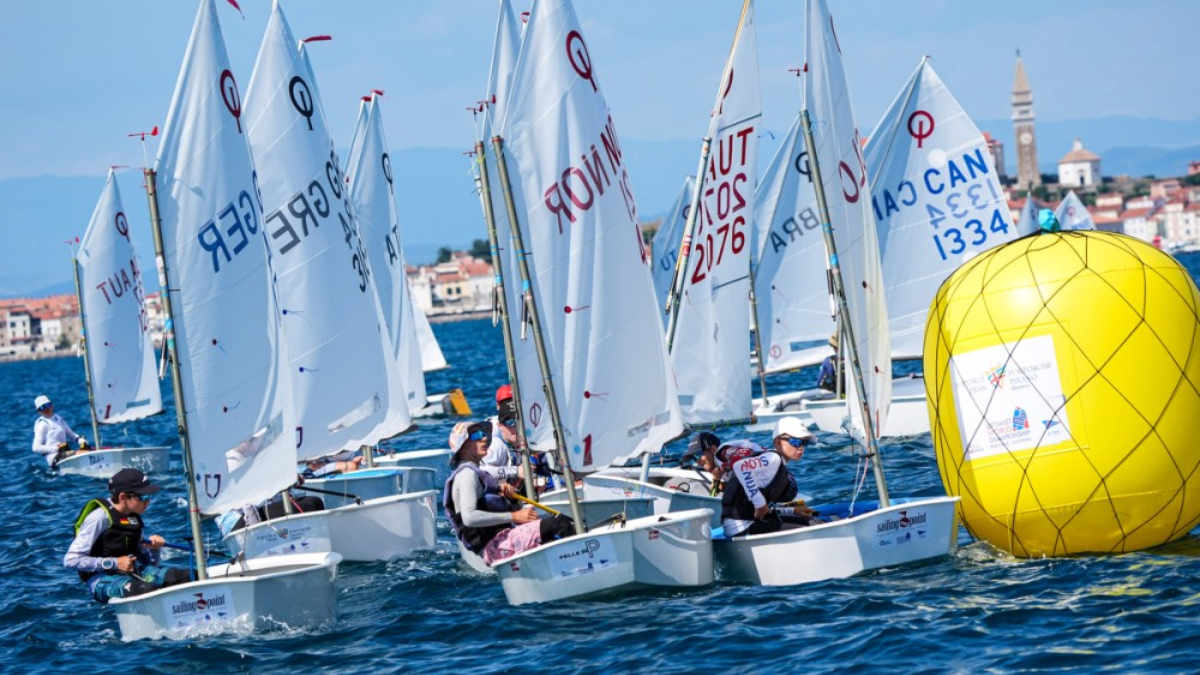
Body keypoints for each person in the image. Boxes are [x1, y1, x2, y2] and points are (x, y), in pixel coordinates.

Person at [443, 420, 574, 566]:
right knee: (559, 524)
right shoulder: (467, 475)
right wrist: (514, 516)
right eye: (476, 436)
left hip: (502, 540)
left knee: (561, 523)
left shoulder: (474, 473)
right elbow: (469, 517)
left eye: (483, 434)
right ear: (463, 448)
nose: (484, 438)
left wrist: (508, 496)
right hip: (495, 547)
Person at [64, 468, 191, 603]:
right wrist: (115, 563)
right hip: (101, 579)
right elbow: (71, 560)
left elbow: (149, 565)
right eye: (142, 497)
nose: (148, 502)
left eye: (149, 497)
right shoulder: (99, 518)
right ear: (123, 497)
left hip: (133, 572)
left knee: (187, 576)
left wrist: (154, 551)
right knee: (146, 589)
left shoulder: (133, 517)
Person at [720, 416, 819, 537]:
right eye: (795, 442)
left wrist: (793, 511)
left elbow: (764, 509)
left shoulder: (777, 465)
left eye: (804, 443)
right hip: (741, 528)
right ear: (778, 443)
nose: (801, 448)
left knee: (815, 523)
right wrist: (760, 503)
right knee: (811, 530)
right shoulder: (773, 458)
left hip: (752, 521)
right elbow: (740, 466)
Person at [32, 395, 90, 468]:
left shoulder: (57, 417)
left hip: (65, 453)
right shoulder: (42, 424)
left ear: (52, 405)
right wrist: (56, 449)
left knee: (87, 448)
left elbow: (71, 434)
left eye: (48, 405)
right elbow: (35, 447)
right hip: (54, 458)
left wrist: (79, 440)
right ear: (39, 411)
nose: (46, 408)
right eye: (42, 407)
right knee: (84, 453)